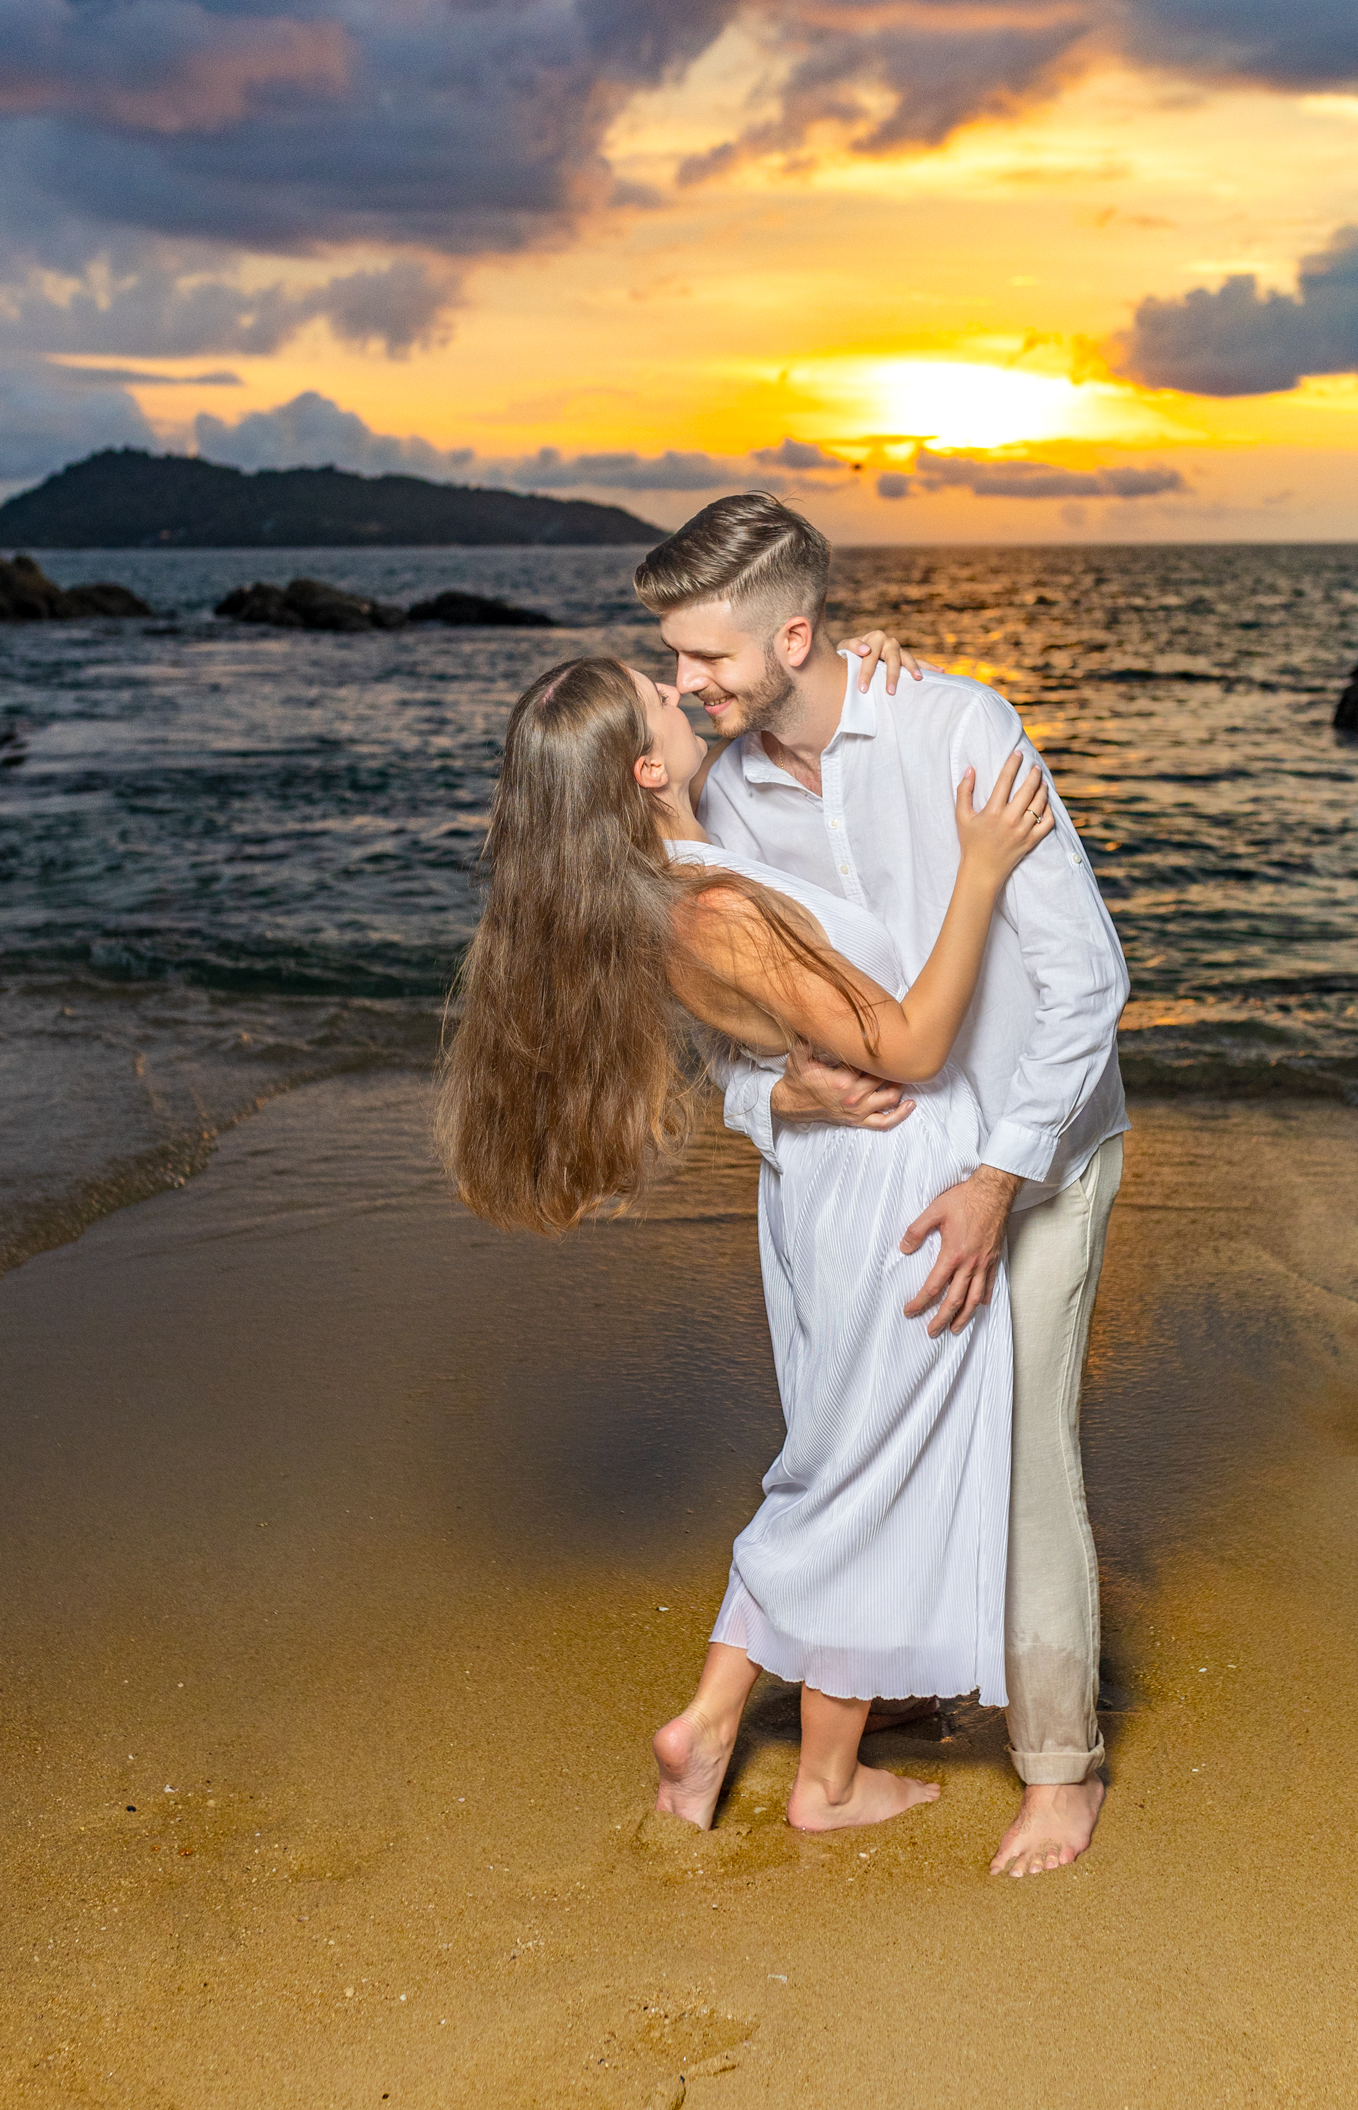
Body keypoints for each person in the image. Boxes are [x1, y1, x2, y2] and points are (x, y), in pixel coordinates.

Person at [435, 654, 1055, 1837]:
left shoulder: (675, 881)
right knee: (871, 1475)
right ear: (644, 769)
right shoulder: (713, 908)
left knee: (837, 1456)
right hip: (889, 1183)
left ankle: (715, 1723)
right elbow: (913, 1048)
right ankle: (826, 1781)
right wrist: (981, 870)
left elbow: (756, 1038)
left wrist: (857, 665)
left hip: (828, 1177)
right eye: (660, 696)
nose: (685, 692)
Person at [635, 494, 1130, 1880]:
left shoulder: (954, 727)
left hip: (1036, 1146)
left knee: (1022, 1451)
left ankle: (1059, 1767)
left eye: (705, 656)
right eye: (673, 659)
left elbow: (1089, 985)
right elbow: (726, 1029)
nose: (686, 681)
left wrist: (995, 1175)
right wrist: (772, 1098)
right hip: (859, 1177)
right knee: (853, 1436)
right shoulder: (725, 795)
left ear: (793, 637)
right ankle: (884, 1680)